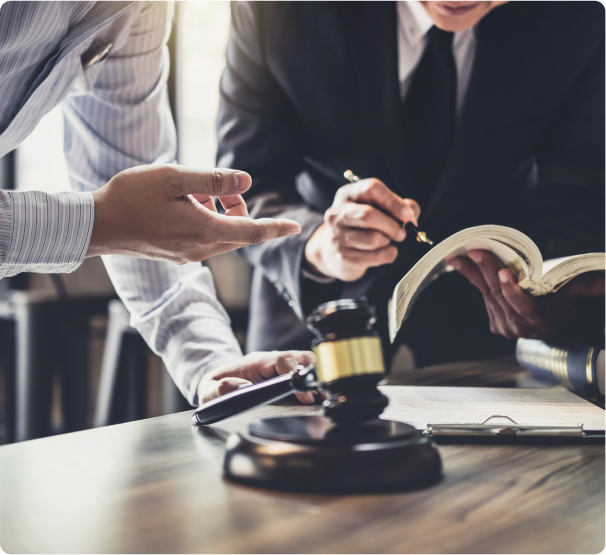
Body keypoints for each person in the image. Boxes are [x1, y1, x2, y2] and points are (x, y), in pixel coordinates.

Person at [216, 0, 606, 366]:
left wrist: (552, 303)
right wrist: (318, 245)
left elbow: (579, 195)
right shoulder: (277, 9)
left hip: (485, 352)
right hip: (317, 339)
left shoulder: (580, 16)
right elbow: (247, 182)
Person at [0, 0, 315, 406]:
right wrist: (99, 222)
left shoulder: (140, 8)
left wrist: (210, 363)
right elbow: (126, 219)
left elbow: (140, 203)